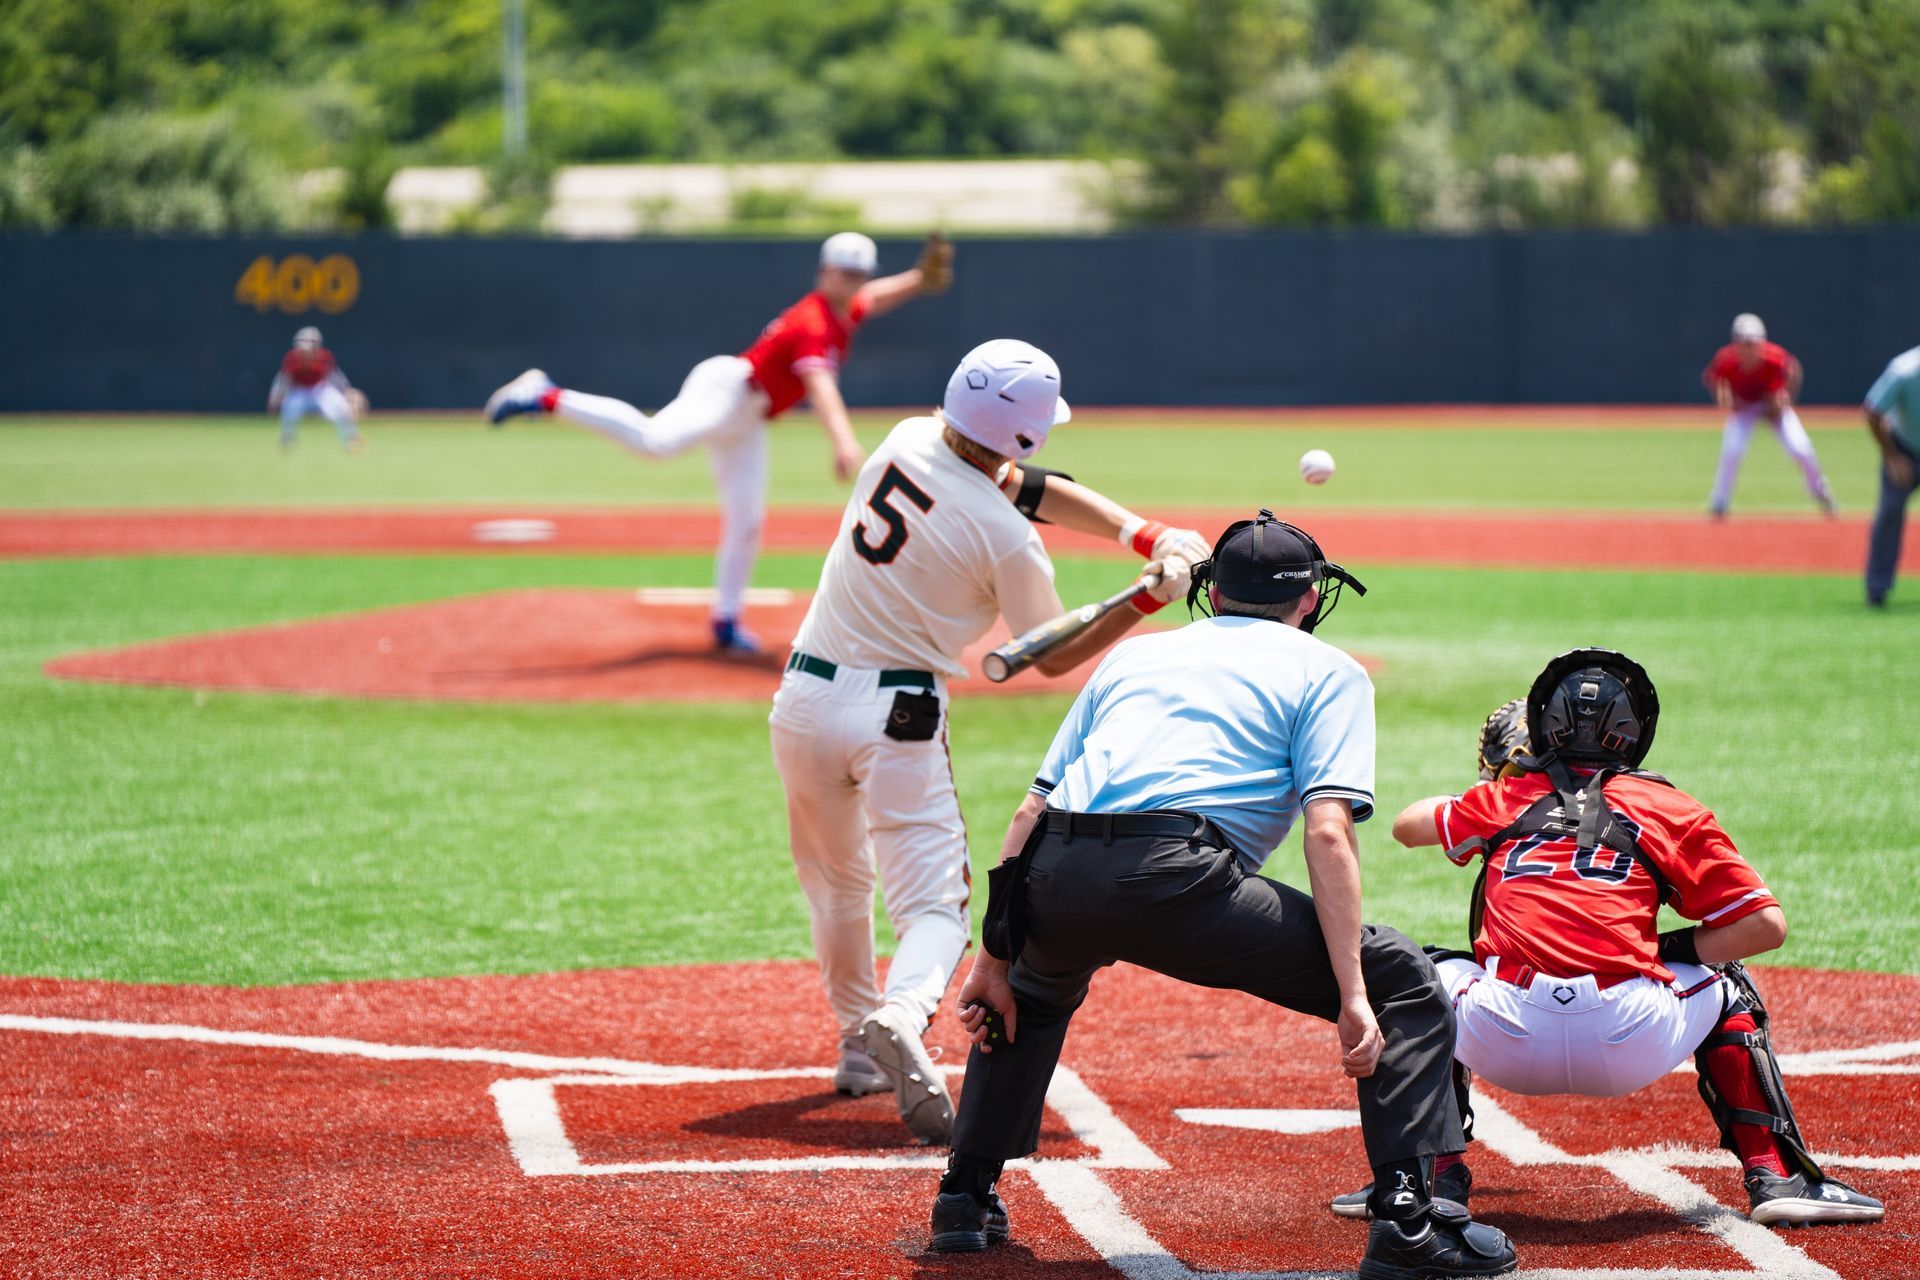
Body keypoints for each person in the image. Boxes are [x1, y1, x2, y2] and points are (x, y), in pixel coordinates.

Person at [928, 511, 1518, 1279]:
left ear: (1212, 592)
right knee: (1401, 979)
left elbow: (1029, 812)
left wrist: (993, 958)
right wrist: (1352, 994)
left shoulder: (1135, 657)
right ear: (1311, 598)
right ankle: (1408, 1221)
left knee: (1029, 994)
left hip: (1055, 871)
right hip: (1177, 879)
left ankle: (963, 1198)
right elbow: (1328, 833)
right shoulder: (1328, 670)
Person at [771, 337, 1211, 1146]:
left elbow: (1022, 484)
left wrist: (1144, 535)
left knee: (837, 885)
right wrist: (1146, 600)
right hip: (895, 715)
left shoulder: (906, 437)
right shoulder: (1006, 539)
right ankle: (902, 1013)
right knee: (936, 906)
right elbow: (1051, 654)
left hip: (800, 702)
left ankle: (854, 1044)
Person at [1328, 655, 1884, 1229]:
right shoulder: (1670, 806)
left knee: (1419, 980)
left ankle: (1429, 1179)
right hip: (1630, 1038)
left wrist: (1502, 784)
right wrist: (1667, 950)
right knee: (1729, 981)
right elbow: (1765, 926)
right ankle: (1776, 1174)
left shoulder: (1504, 799)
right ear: (1636, 732)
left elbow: (1406, 825)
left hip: (1506, 1033)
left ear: (1547, 728)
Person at [484, 232, 953, 652]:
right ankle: (544, 395)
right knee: (654, 442)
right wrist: (843, 441)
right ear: (823, 272)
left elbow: (873, 297)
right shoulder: (814, 322)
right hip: (728, 390)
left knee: (747, 522)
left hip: (748, 418)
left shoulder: (844, 307)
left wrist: (916, 279)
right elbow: (822, 388)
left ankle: (726, 621)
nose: (852, 281)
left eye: (858, 274)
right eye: (844, 272)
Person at [1702, 313, 1836, 519]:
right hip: (1744, 408)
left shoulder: (1774, 357)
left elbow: (1794, 370)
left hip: (1773, 406)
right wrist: (1724, 397)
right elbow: (1712, 378)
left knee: (1801, 448)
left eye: (1753, 342)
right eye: (1744, 342)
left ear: (1761, 341)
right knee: (1732, 450)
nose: (1749, 347)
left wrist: (1788, 399)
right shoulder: (1725, 360)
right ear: (1735, 342)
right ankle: (1720, 502)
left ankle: (1821, 493)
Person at [1863, 342, 1920, 607]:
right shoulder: (1904, 370)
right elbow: (1873, 411)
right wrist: (1892, 457)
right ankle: (1877, 586)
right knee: (1890, 510)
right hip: (1904, 448)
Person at [269, 326, 365, 453]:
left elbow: (335, 376)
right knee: (289, 409)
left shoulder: (324, 357)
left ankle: (351, 437)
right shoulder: (292, 358)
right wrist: (275, 395)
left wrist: (346, 391)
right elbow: (282, 379)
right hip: (299, 390)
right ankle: (287, 439)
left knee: (342, 408)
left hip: (320, 389)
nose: (306, 351)